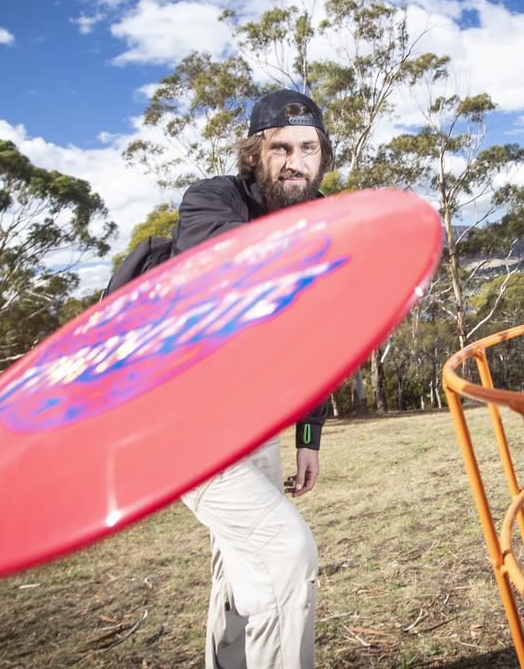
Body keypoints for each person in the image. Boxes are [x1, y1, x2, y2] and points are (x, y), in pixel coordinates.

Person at [176, 89, 333, 669]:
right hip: (185, 423)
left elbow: (323, 339)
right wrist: (321, 244)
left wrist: (309, 436)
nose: (296, 161)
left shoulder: (324, 215)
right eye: (281, 147)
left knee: (242, 564)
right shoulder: (211, 200)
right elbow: (221, 258)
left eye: (309, 147)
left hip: (256, 425)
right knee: (284, 555)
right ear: (254, 154)